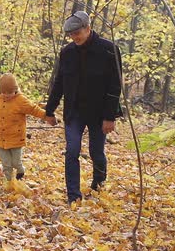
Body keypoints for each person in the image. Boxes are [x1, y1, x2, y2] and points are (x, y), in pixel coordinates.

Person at [45, 11, 122, 204]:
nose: (74, 37)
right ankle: (73, 195)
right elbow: (59, 82)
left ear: (88, 28)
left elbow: (115, 85)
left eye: (77, 33)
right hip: (74, 113)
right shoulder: (67, 52)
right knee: (72, 151)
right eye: (71, 35)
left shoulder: (109, 49)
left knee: (97, 152)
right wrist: (49, 110)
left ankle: (98, 184)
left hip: (99, 113)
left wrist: (110, 117)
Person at [0, 73, 48, 181]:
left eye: (9, 92)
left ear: (15, 90)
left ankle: (20, 170)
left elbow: (33, 109)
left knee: (16, 162)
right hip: (0, 138)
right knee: (6, 163)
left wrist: (46, 115)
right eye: (4, 92)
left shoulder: (20, 100)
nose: (6, 95)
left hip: (16, 138)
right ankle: (9, 181)